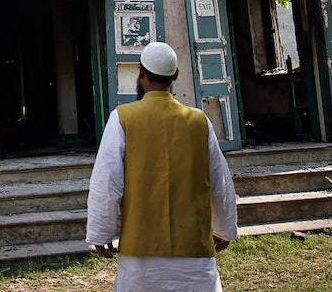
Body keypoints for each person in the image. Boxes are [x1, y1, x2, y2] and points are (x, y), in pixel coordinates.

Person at [85, 41, 238, 292]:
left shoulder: (122, 118)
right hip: (194, 255)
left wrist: (100, 232)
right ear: (175, 75)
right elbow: (219, 182)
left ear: (140, 73)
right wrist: (224, 228)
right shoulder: (199, 121)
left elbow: (107, 182)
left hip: (140, 257)